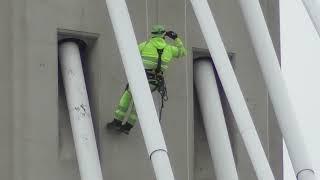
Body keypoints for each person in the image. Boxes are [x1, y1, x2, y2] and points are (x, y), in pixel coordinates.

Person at [106, 25, 187, 134]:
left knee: (128, 96)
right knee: (139, 102)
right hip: (155, 82)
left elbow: (131, 55)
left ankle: (117, 122)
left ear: (153, 35)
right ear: (164, 35)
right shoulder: (169, 49)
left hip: (142, 79)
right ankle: (128, 126)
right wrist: (176, 38)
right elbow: (182, 52)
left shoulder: (145, 45)